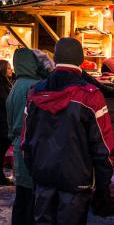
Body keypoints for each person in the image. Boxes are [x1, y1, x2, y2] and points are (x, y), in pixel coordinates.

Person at [23, 38, 114, 224]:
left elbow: (26, 140)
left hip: (43, 176)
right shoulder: (91, 96)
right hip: (77, 180)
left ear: (55, 58)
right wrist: (104, 186)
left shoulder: (34, 93)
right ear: (81, 59)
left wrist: (35, 170)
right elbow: (103, 145)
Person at [6, 48, 54, 225]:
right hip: (32, 146)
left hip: (21, 144)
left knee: (22, 197)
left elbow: (10, 123)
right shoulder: (35, 86)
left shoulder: (17, 85)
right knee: (30, 200)